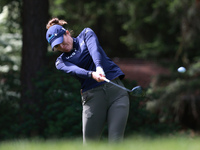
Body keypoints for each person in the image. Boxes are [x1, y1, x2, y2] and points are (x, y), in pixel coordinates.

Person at [46, 18, 130, 143]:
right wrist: (91, 74)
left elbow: (94, 49)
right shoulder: (61, 62)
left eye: (61, 41)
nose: (62, 46)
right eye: (57, 46)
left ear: (67, 33)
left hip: (116, 92)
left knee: (116, 141)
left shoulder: (86, 34)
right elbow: (74, 70)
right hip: (93, 97)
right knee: (90, 144)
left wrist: (99, 67)